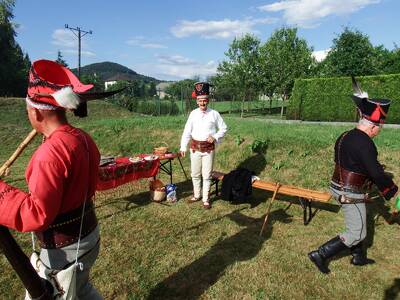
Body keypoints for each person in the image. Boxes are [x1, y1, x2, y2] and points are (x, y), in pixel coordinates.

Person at [0, 60, 102, 298]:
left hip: (64, 251)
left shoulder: (49, 154)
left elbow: (37, 213)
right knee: (81, 287)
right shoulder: (83, 138)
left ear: (35, 111)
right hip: (89, 237)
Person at [308, 76, 398, 274]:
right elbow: (376, 173)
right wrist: (393, 192)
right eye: (378, 129)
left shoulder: (345, 136)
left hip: (337, 185)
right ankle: (321, 254)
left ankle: (358, 256)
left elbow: (348, 161)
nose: (378, 133)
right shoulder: (365, 144)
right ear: (373, 126)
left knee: (360, 218)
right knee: (357, 232)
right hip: (350, 191)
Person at [180, 82, 227, 209]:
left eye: (204, 100)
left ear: (208, 101)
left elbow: (224, 128)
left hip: (208, 150)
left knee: (207, 175)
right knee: (195, 174)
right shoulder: (193, 114)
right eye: (200, 100)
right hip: (195, 149)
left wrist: (215, 136)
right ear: (197, 101)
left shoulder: (214, 114)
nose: (202, 103)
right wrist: (183, 147)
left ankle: (206, 199)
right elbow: (187, 131)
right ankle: (196, 195)